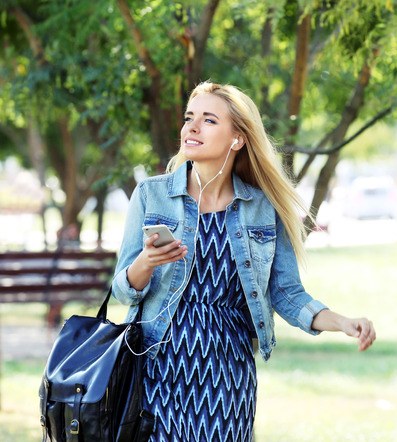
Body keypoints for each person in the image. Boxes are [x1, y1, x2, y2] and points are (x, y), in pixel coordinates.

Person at [111, 81, 376, 441]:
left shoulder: (263, 208)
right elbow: (123, 291)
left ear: (237, 139)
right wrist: (147, 262)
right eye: (190, 118)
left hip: (227, 375)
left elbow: (287, 294)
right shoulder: (151, 195)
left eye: (208, 120)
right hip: (157, 366)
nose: (192, 127)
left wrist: (342, 322)